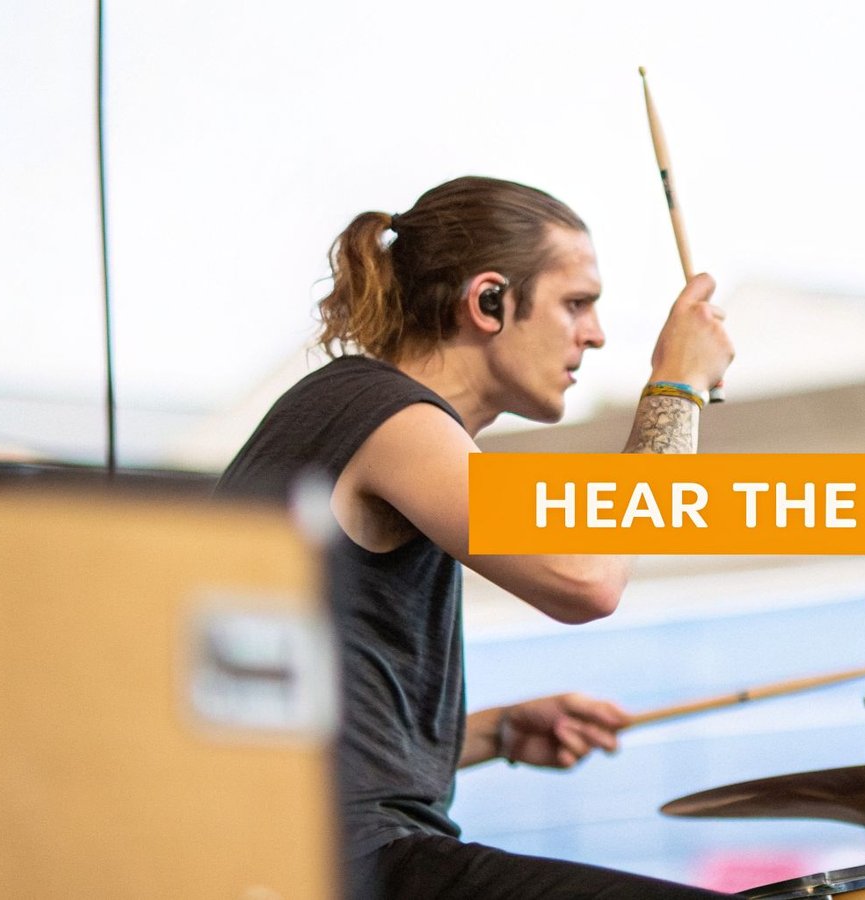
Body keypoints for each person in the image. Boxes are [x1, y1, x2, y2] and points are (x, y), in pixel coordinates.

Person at [216, 175, 736, 899]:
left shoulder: (348, 407)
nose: (596, 333)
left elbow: (314, 729)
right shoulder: (386, 414)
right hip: (347, 865)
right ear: (489, 301)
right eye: (576, 303)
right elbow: (587, 578)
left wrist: (496, 732)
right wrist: (675, 386)